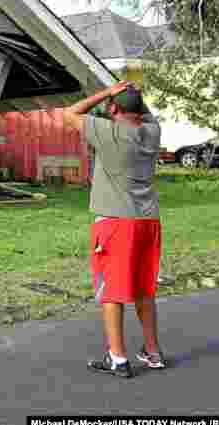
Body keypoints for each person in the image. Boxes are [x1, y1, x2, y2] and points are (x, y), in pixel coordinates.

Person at [63, 81, 164, 378]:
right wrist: (131, 98)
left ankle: (118, 358)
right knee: (144, 288)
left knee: (112, 292)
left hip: (116, 224)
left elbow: (70, 112)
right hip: (148, 221)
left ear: (114, 109)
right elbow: (141, 112)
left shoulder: (109, 132)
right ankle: (153, 352)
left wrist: (109, 92)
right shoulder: (151, 132)